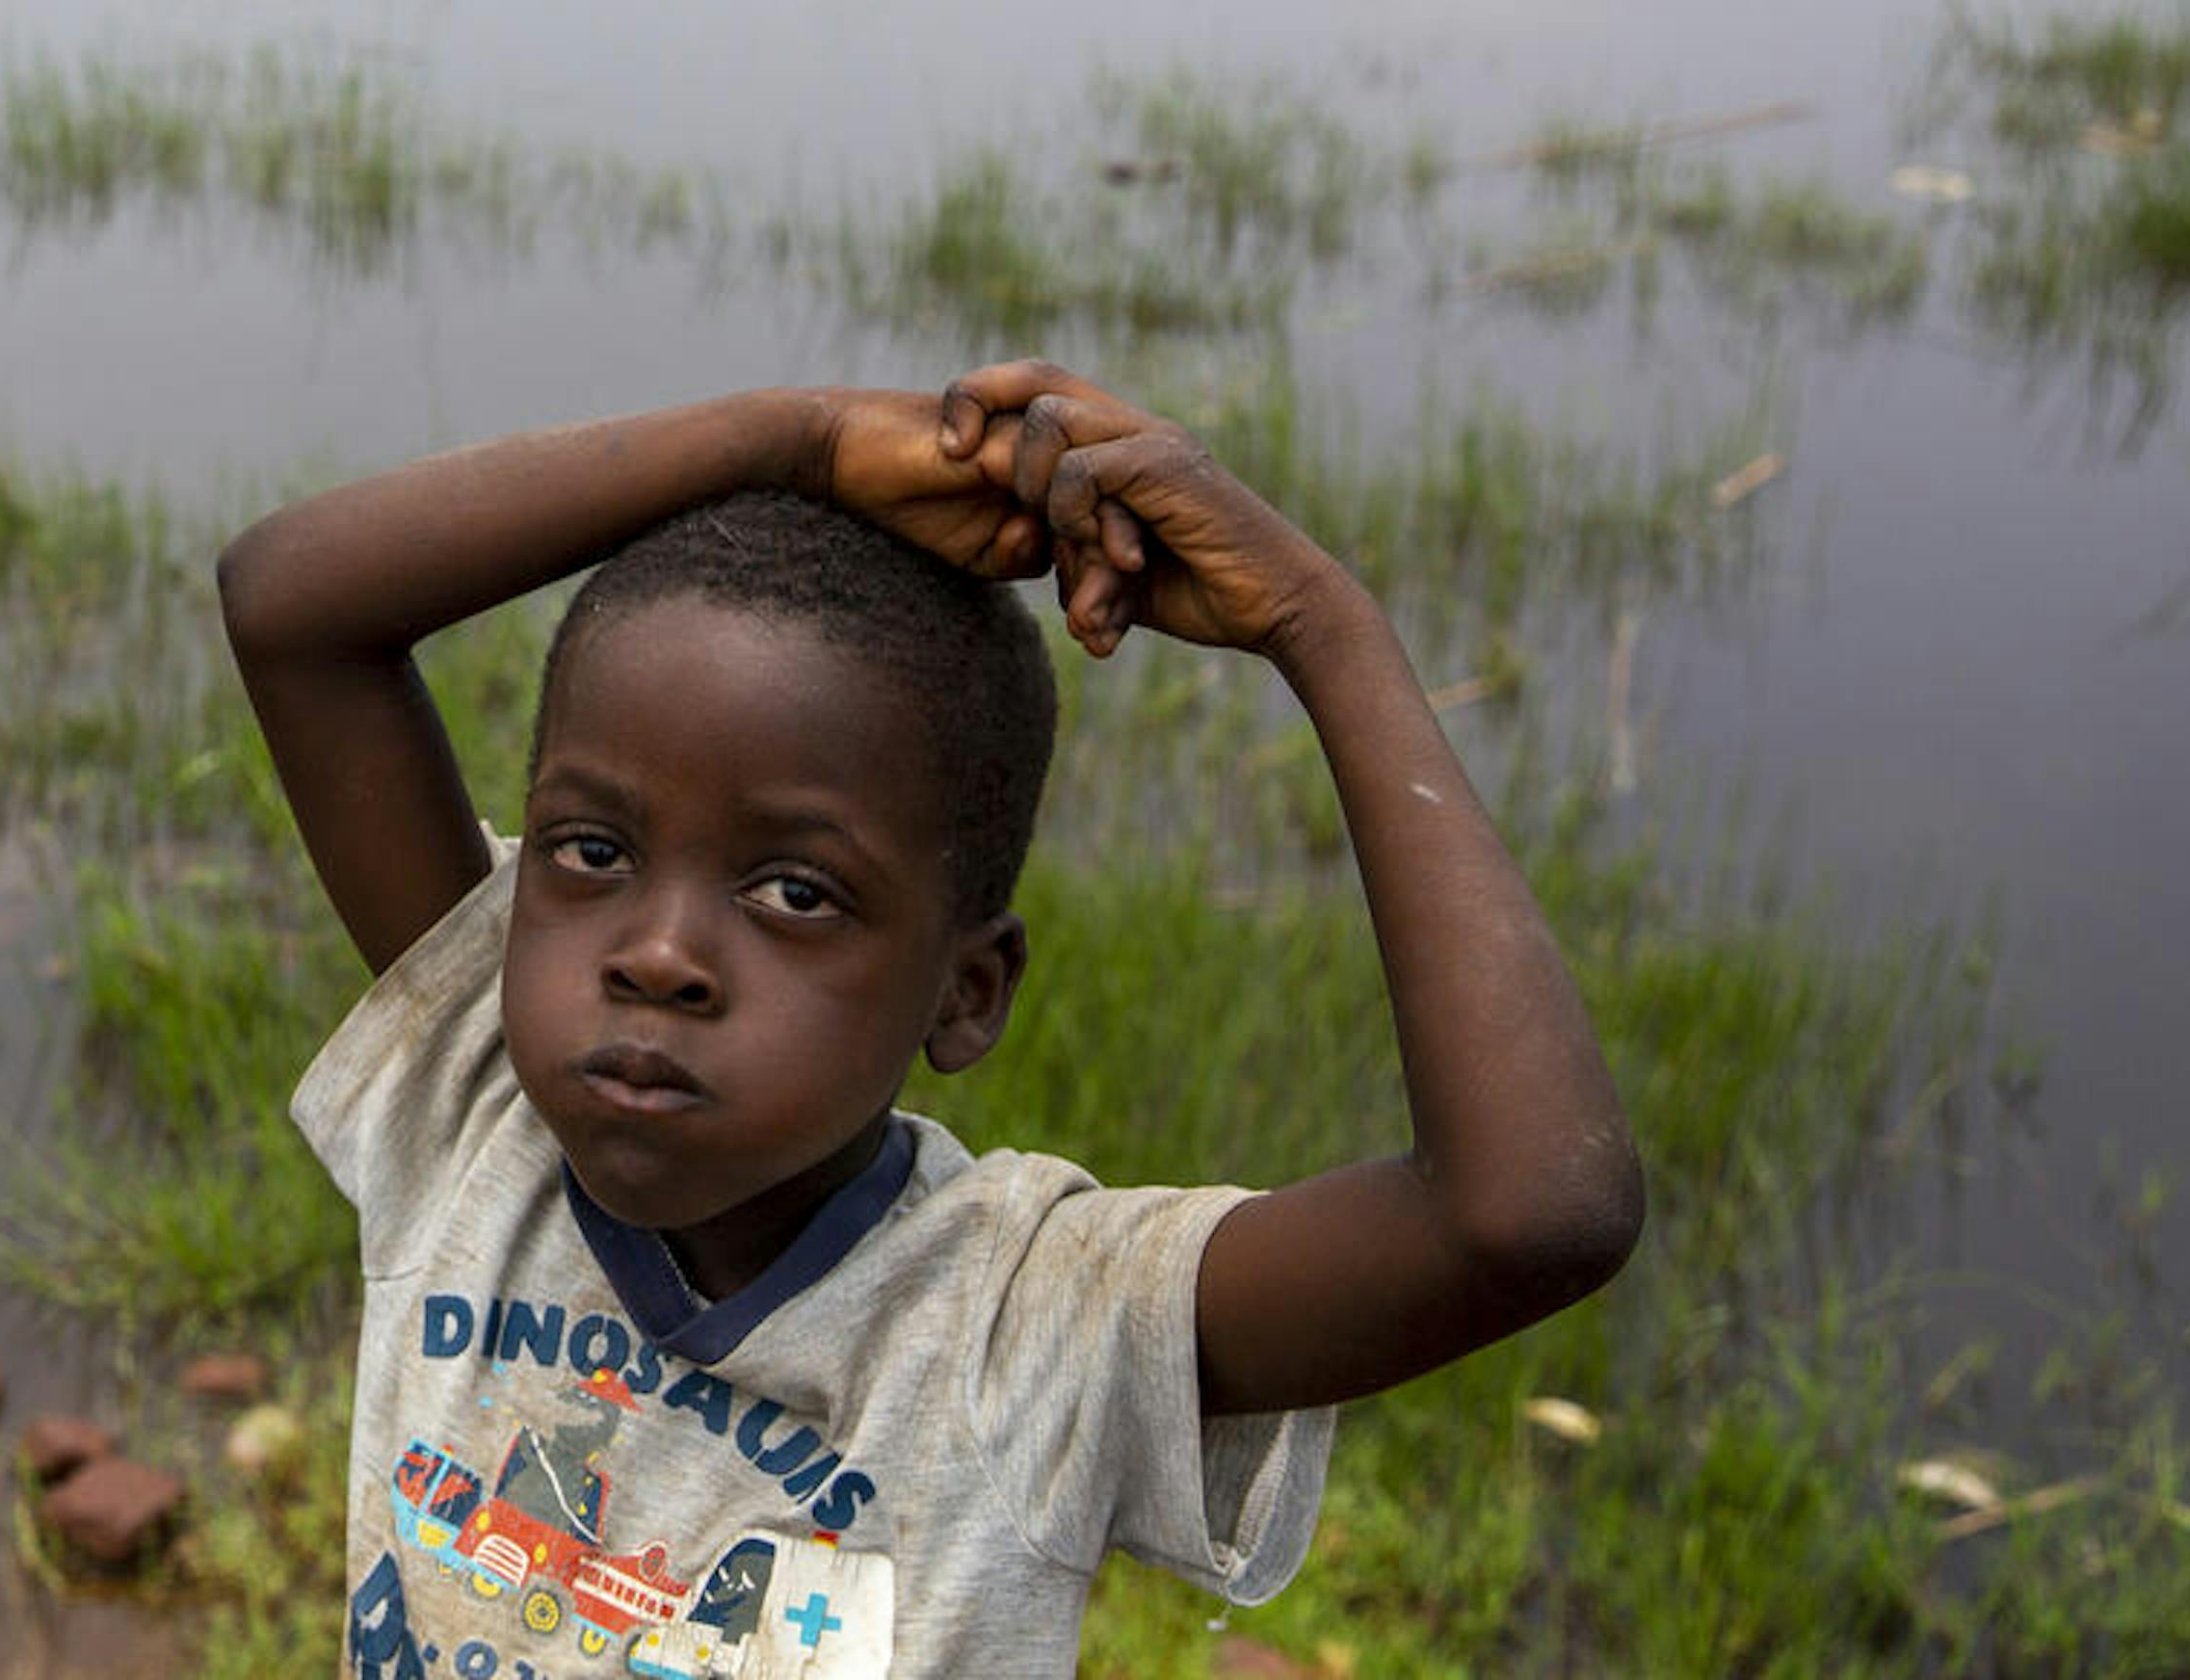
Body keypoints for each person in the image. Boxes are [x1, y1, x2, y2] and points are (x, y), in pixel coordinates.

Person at [218, 364, 1640, 1679]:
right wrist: (794, 443)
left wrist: (1321, 625)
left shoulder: (1029, 1326)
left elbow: (1529, 1213)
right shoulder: (477, 1110)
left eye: (793, 890)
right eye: (589, 853)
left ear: (967, 992)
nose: (654, 954)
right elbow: (291, 607)